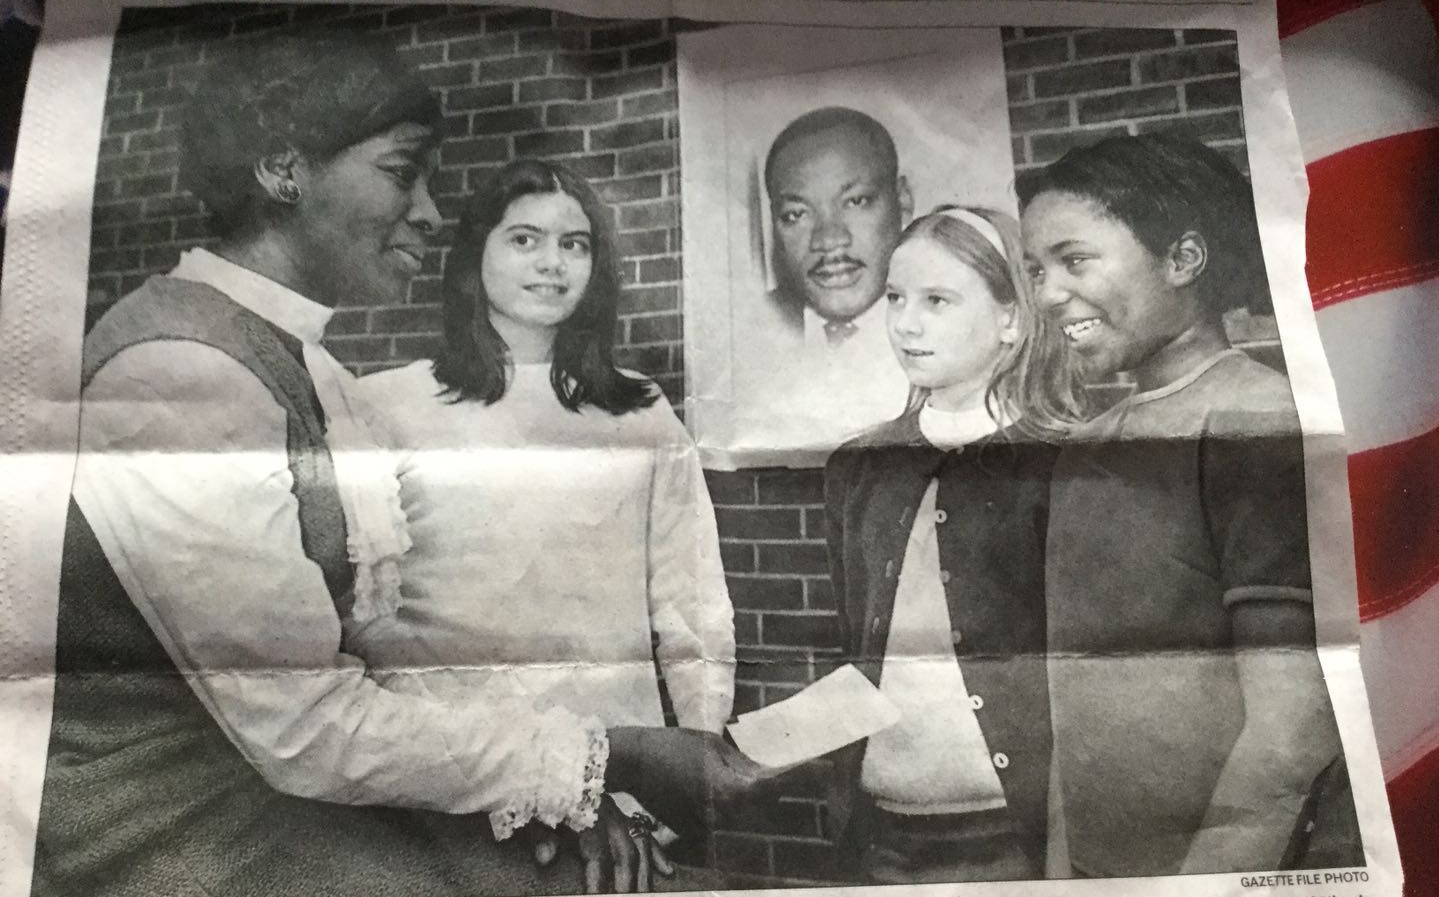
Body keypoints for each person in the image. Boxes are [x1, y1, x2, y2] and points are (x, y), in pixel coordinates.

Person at [35, 32, 753, 897]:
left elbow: (368, 658)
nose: (429, 212)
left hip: (315, 804)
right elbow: (303, 729)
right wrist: (601, 758)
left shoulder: (320, 374)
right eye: (401, 172)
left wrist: (574, 791)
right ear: (283, 170)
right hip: (171, 839)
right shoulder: (178, 371)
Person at [352, 156, 736, 822]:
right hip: (446, 786)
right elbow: (357, 624)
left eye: (574, 244)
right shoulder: (381, 406)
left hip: (613, 782)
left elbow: (691, 597)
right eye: (524, 238)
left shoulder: (640, 410)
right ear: (477, 255)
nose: (551, 262)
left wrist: (698, 753)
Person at [1018, 134, 1360, 876]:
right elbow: (1067, 705)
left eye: (1074, 261)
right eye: (1036, 270)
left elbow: (1292, 731)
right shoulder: (1085, 445)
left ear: (1182, 259)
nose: (1046, 293)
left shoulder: (1251, 422)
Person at [823, 206, 1081, 883]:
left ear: (1011, 318)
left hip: (1018, 839)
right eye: (895, 298)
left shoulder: (1067, 463)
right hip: (882, 835)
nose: (905, 323)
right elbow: (857, 646)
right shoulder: (859, 465)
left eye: (937, 300)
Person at [753, 106, 915, 443]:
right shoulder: (746, 342)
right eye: (797, 214)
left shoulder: (959, 332)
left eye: (855, 201)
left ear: (903, 201)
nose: (828, 240)